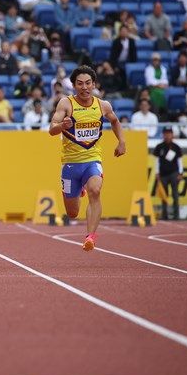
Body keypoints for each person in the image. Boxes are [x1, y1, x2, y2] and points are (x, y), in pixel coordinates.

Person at [49, 65, 126, 252]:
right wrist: (62, 126)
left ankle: (90, 236)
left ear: (94, 84)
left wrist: (121, 141)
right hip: (70, 164)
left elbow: (115, 121)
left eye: (88, 83)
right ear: (74, 86)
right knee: (72, 213)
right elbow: (52, 129)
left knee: (95, 190)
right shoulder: (66, 104)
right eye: (80, 84)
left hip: (92, 160)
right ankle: (78, 190)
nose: (84, 88)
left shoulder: (102, 105)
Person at [154, 126, 184, 220]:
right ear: (163, 134)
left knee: (175, 195)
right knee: (164, 196)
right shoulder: (159, 147)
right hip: (163, 174)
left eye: (169, 133)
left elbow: (179, 161)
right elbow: (157, 160)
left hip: (174, 173)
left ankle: (176, 215)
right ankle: (165, 215)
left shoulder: (176, 147)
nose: (168, 135)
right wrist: (157, 172)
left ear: (172, 134)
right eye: (166, 133)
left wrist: (180, 173)